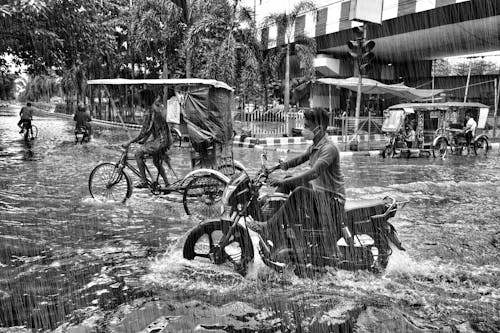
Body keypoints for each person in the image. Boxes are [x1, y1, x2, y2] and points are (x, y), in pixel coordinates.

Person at [247, 108, 346, 244]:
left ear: (320, 128)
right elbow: (300, 158)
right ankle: (274, 218)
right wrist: (280, 166)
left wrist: (279, 183)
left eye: (307, 126)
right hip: (321, 195)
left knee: (299, 192)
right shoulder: (315, 146)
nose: (303, 129)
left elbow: (314, 173)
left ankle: (269, 227)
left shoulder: (329, 148)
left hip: (333, 201)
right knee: (288, 179)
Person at [122, 89, 172, 188]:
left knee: (138, 154)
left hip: (160, 141)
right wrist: (143, 141)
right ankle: (167, 184)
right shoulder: (157, 107)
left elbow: (143, 132)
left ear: (144, 100)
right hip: (166, 139)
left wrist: (129, 142)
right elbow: (151, 129)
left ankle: (144, 180)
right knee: (156, 161)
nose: (140, 101)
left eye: (141, 99)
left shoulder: (150, 112)